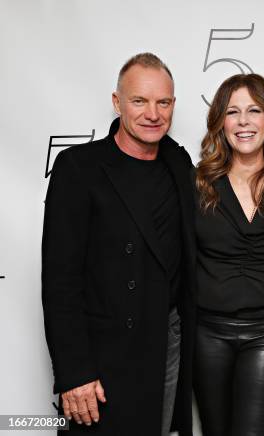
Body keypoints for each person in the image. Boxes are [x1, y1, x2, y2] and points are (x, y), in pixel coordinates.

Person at [42, 53, 196, 435]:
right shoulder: (79, 167)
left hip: (165, 343)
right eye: (139, 101)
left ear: (173, 105)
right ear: (117, 102)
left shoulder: (179, 163)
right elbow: (60, 281)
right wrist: (74, 372)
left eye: (163, 102)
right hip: (102, 354)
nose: (153, 113)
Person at [193, 73, 264, 436]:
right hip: (206, 333)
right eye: (233, 111)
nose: (243, 121)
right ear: (220, 123)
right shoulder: (197, 183)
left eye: (254, 110)